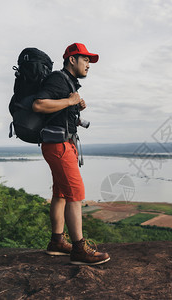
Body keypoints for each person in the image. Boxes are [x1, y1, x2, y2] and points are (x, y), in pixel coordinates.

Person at [32, 43, 110, 265]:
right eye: (85, 60)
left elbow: (57, 115)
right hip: (59, 146)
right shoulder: (58, 79)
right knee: (76, 193)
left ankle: (57, 242)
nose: (88, 65)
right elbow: (38, 105)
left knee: (61, 194)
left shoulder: (68, 83)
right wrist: (70, 101)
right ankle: (79, 250)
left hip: (60, 144)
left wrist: (74, 107)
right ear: (72, 60)